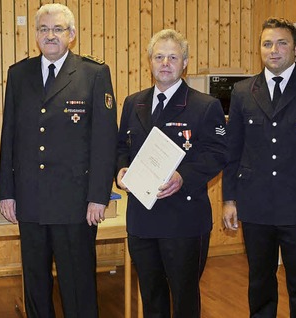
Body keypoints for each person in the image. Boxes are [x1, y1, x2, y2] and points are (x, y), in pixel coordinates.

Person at [0, 3, 117, 317]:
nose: (51, 35)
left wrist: (98, 196)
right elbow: (9, 135)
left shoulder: (93, 73)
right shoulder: (18, 73)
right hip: (30, 200)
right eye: (44, 29)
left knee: (77, 284)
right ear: (35, 34)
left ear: (72, 35)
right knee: (35, 283)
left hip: (75, 203)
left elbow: (104, 141)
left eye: (58, 29)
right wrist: (6, 192)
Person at [222, 17, 296, 318]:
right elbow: (233, 149)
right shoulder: (244, 90)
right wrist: (229, 199)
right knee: (260, 282)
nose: (274, 50)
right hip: (256, 205)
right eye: (267, 44)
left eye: (282, 43)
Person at [116, 29, 227, 318]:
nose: (165, 63)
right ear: (150, 62)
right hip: (142, 219)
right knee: (151, 296)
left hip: (184, 220)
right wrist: (120, 171)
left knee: (184, 298)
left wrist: (183, 176)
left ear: (185, 62)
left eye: (173, 57)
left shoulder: (205, 105)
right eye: (159, 56)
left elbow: (217, 153)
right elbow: (120, 148)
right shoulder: (133, 102)